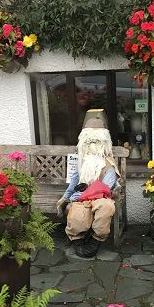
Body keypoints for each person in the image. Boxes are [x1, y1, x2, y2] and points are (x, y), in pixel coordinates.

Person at [56, 110, 119, 257]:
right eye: (89, 141)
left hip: (101, 197)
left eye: (96, 141)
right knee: (78, 214)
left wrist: (92, 192)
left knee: (106, 208)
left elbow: (107, 187)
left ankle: (96, 240)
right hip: (81, 198)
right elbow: (74, 182)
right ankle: (77, 240)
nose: (92, 145)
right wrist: (65, 198)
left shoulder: (108, 165)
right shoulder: (82, 163)